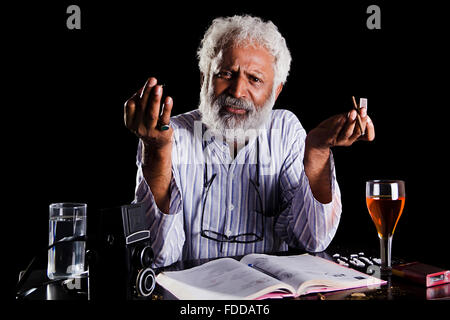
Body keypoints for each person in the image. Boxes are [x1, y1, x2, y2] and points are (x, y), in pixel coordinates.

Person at [124, 15, 374, 267]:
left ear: (276, 91)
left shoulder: (285, 131)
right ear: (204, 78)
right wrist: (157, 152)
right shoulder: (169, 136)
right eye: (225, 74)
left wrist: (318, 151)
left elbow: (313, 239)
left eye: (254, 79)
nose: (237, 91)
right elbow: (157, 254)